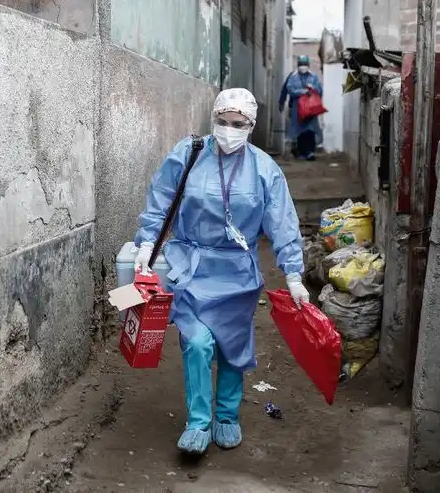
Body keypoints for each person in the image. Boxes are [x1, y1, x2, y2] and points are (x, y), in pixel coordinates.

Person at [132, 88, 310, 456]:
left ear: (251, 126)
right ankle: (198, 421)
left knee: (232, 347)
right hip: (191, 265)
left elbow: (282, 222)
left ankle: (226, 416)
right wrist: (146, 245)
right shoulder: (190, 153)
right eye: (223, 122)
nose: (229, 130)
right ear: (213, 119)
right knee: (196, 342)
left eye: (238, 124)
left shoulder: (265, 170)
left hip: (237, 274)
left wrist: (293, 275)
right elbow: (160, 197)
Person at [278, 55, 323, 161]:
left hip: (310, 109)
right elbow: (289, 89)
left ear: (308, 65)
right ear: (298, 65)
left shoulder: (313, 77)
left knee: (310, 130)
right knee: (299, 131)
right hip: (297, 109)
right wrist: (302, 92)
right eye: (301, 65)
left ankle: (310, 152)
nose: (303, 67)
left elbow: (320, 91)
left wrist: (313, 90)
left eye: (305, 65)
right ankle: (301, 152)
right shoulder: (293, 77)